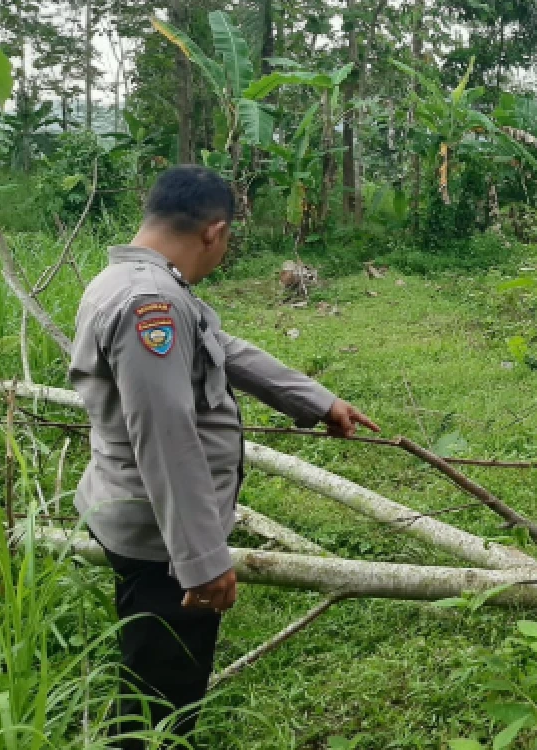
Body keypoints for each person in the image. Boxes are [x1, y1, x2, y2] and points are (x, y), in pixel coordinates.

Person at [69, 165, 380, 745]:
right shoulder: (149, 303)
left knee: (150, 679)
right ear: (214, 231)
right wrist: (202, 560)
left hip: (134, 516)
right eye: (228, 240)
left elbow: (221, 347)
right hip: (163, 540)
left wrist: (315, 399)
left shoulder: (129, 282)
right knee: (159, 711)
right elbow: (165, 436)